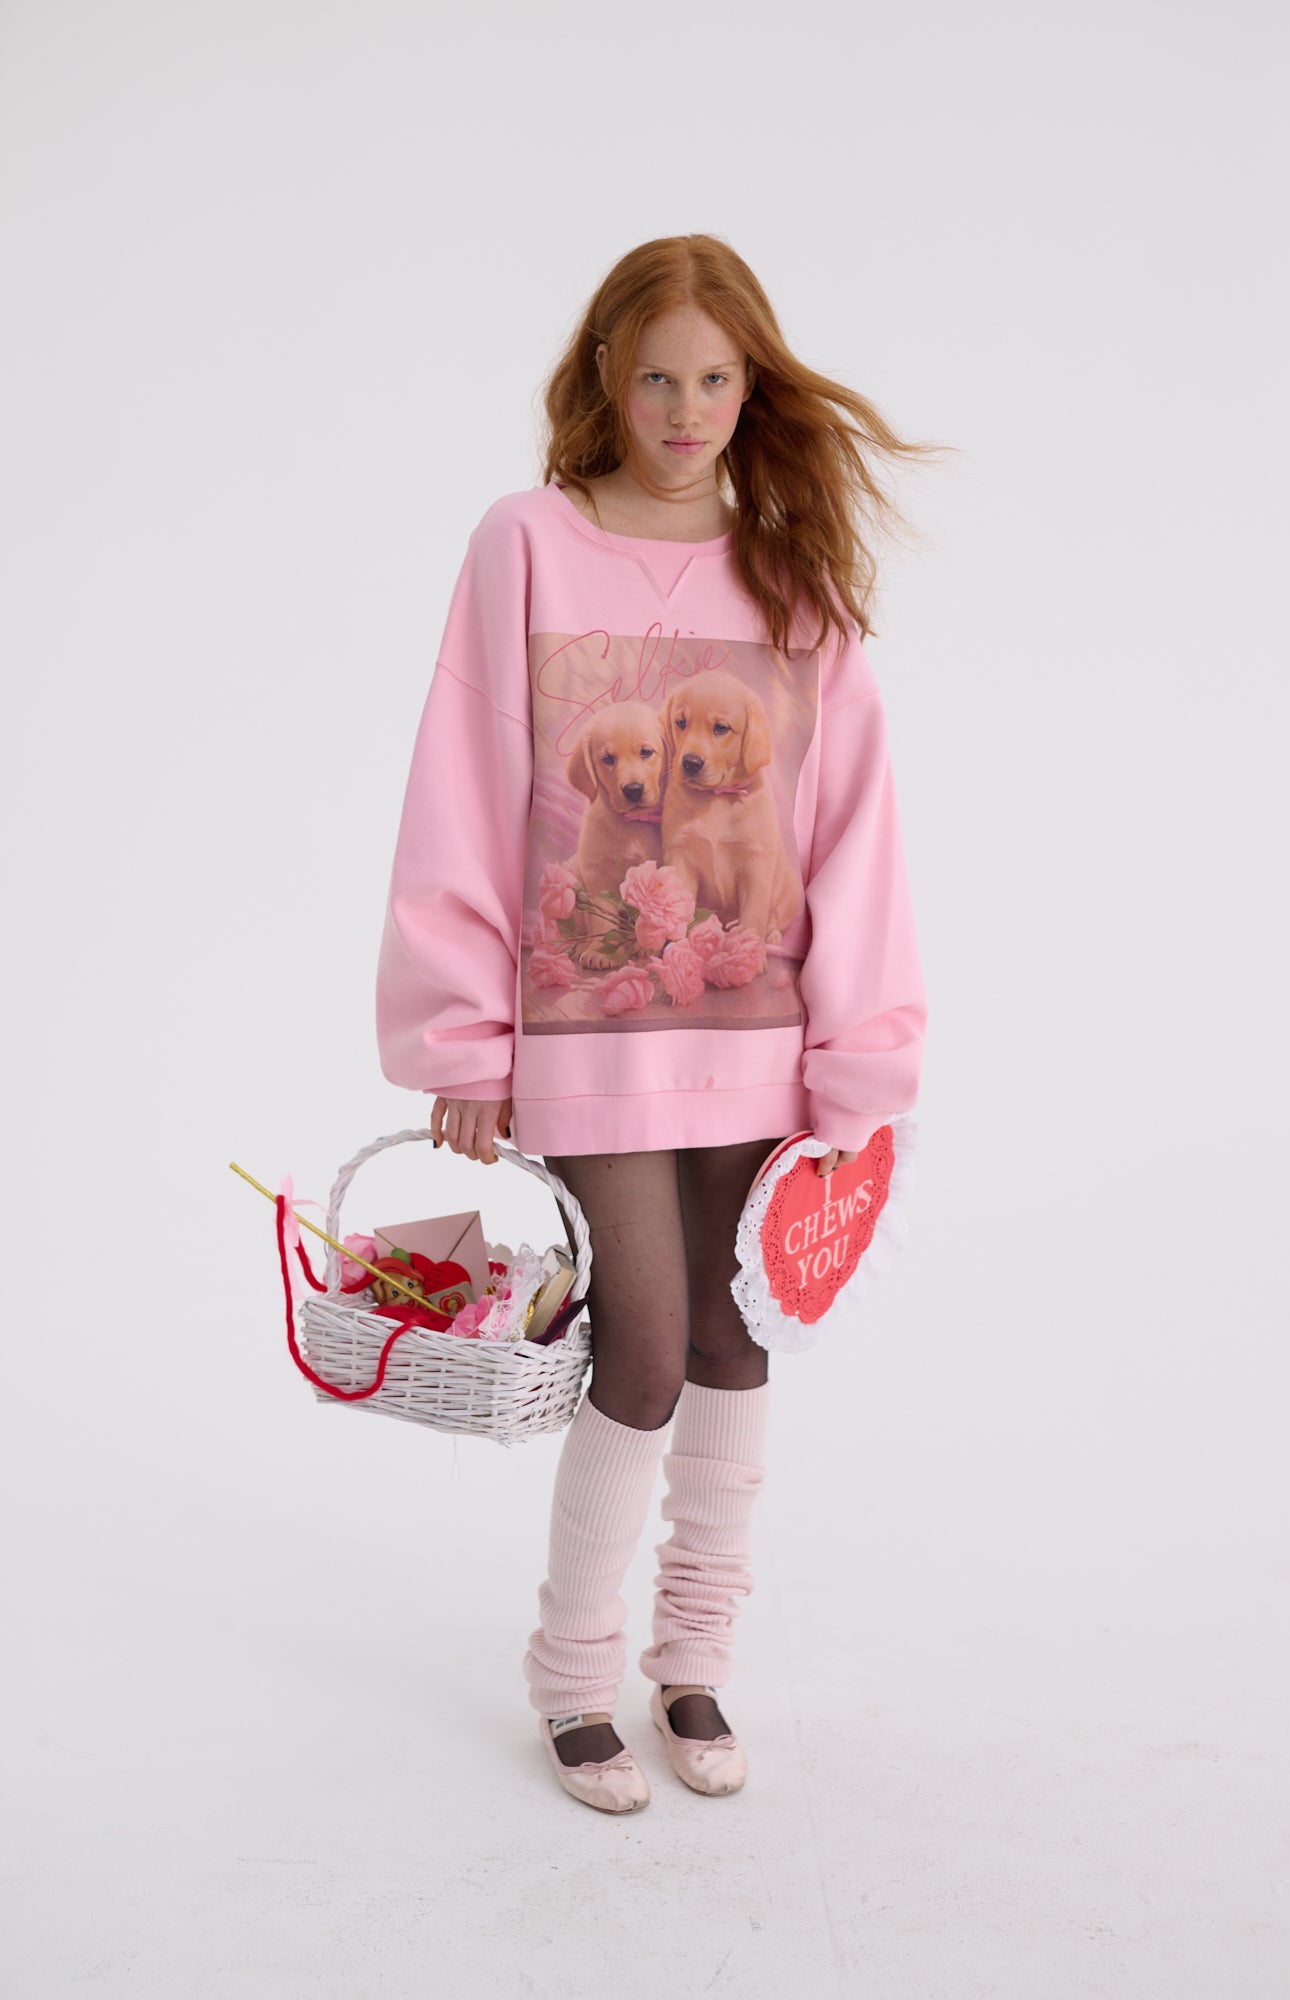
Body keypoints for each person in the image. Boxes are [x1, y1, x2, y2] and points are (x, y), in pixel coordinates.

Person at [374, 233, 934, 1813]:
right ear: (605, 382)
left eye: (716, 380)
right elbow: (464, 784)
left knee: (729, 1339)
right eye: (657, 380)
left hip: (759, 1037)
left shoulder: (792, 577)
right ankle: (571, 1675)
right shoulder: (526, 543)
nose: (686, 412)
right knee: (635, 1350)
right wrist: (464, 1037)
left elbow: (853, 830)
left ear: (751, 390)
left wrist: (859, 1057)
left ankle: (693, 1664)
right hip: (588, 1031)